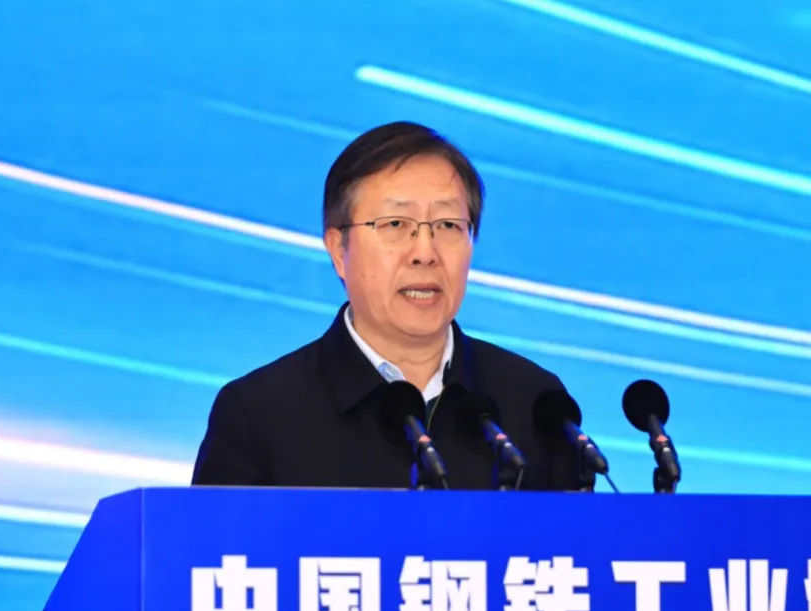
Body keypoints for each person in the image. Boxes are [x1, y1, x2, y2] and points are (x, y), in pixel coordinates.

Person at [191, 121, 584, 490]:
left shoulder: (536, 405)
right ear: (338, 250)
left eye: (448, 225)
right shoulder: (259, 415)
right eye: (396, 224)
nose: (425, 253)